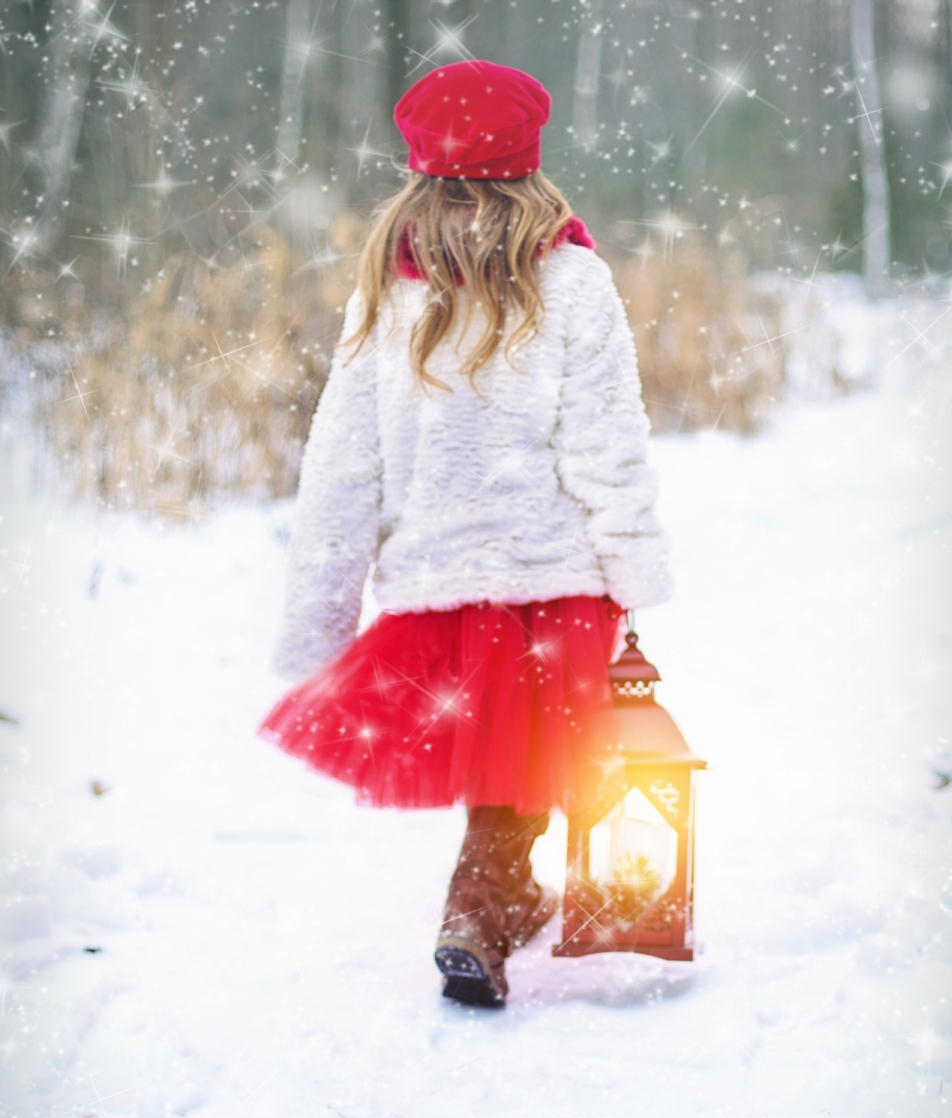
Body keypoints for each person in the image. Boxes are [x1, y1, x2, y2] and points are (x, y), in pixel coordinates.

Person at [261, 59, 671, 1009]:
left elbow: (343, 469)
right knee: (532, 754)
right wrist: (635, 570)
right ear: (531, 162)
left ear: (419, 166)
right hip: (557, 580)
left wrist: (321, 616)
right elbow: (607, 448)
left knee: (511, 755)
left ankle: (500, 900)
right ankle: (483, 906)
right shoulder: (574, 282)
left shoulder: (387, 289)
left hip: (438, 584)